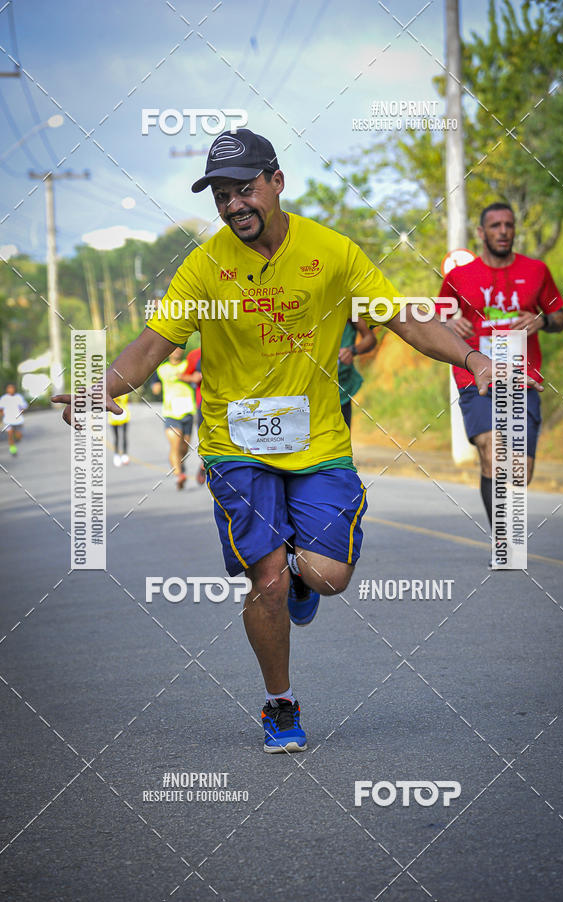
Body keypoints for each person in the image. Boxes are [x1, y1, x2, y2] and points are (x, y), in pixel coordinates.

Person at [55, 129, 525, 755]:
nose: (233, 205)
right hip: (235, 446)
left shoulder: (331, 251)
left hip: (318, 442)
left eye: (244, 189)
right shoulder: (204, 266)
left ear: (277, 182)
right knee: (268, 579)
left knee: (328, 576)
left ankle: (306, 578)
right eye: (221, 196)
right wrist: (100, 385)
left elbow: (404, 318)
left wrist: (473, 357)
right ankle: (280, 702)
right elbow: (151, 345)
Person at [438, 202, 563, 533]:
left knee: (520, 472)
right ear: (481, 232)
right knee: (492, 452)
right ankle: (503, 541)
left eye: (508, 225)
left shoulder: (537, 270)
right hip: (476, 377)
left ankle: (507, 528)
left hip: (522, 378)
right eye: (495, 226)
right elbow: (435, 321)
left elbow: (559, 317)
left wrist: (542, 320)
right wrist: (449, 322)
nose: (503, 231)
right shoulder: (458, 277)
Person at [152, 348, 196, 490]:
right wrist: (156, 387)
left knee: (184, 448)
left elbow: (197, 378)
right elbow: (155, 388)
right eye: (174, 348)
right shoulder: (162, 369)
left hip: (188, 410)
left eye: (180, 348)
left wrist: (187, 378)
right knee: (175, 445)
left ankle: (179, 466)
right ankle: (179, 475)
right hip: (171, 412)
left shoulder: (187, 365)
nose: (177, 351)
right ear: (169, 351)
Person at [337, 316, 376, 428]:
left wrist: (351, 350)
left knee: (342, 436)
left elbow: (370, 338)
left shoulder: (347, 310)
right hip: (311, 392)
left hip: (342, 390)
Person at [179, 345, 206, 485]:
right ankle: (204, 463)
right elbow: (184, 375)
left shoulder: (229, 348)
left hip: (228, 400)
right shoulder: (195, 355)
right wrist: (194, 378)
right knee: (205, 436)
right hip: (203, 401)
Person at [0, 383, 28, 456]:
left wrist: (22, 410)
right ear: (7, 390)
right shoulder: (3, 398)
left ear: (14, 389)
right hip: (8, 420)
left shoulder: (19, 397)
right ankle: (13, 449)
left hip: (18, 420)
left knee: (19, 436)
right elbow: (1, 409)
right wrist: (2, 415)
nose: (11, 390)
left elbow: (24, 406)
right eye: (9, 388)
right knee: (10, 435)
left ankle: (16, 439)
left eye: (12, 388)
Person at [108, 394, 131, 466]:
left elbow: (127, 400)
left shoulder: (124, 391)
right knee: (116, 438)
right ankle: (116, 455)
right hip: (113, 417)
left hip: (124, 416)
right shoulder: (111, 392)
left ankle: (125, 454)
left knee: (124, 436)